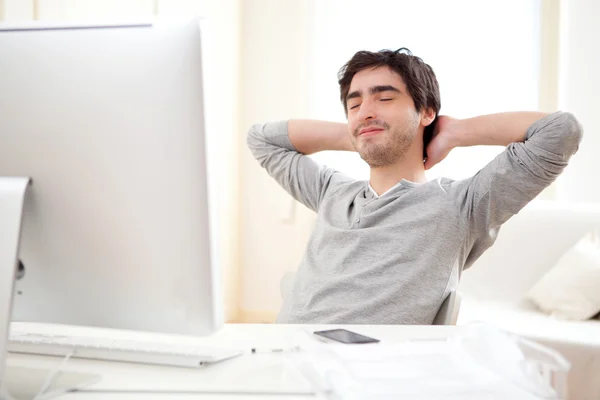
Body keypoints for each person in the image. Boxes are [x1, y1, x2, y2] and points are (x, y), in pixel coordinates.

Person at [247, 48, 583, 325]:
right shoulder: (330, 192)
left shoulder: (463, 204)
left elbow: (560, 131)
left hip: (366, 374)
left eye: (384, 99)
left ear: (426, 113)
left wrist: (456, 132)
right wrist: (360, 132)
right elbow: (261, 139)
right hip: (284, 359)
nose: (365, 110)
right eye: (354, 103)